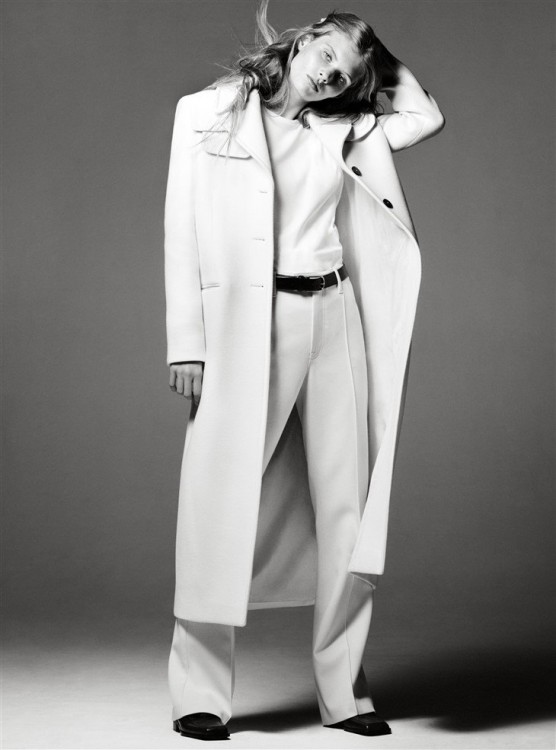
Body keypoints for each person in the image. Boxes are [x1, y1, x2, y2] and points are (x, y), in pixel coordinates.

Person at [164, 1, 444, 741]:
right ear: (303, 38)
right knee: (217, 501)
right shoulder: (207, 113)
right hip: (248, 328)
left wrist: (373, 59)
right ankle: (199, 695)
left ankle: (344, 692)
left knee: (348, 504)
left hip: (334, 314)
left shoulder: (346, 130)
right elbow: (180, 227)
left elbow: (426, 115)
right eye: (326, 55)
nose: (330, 77)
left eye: (346, 74)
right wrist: (186, 341)